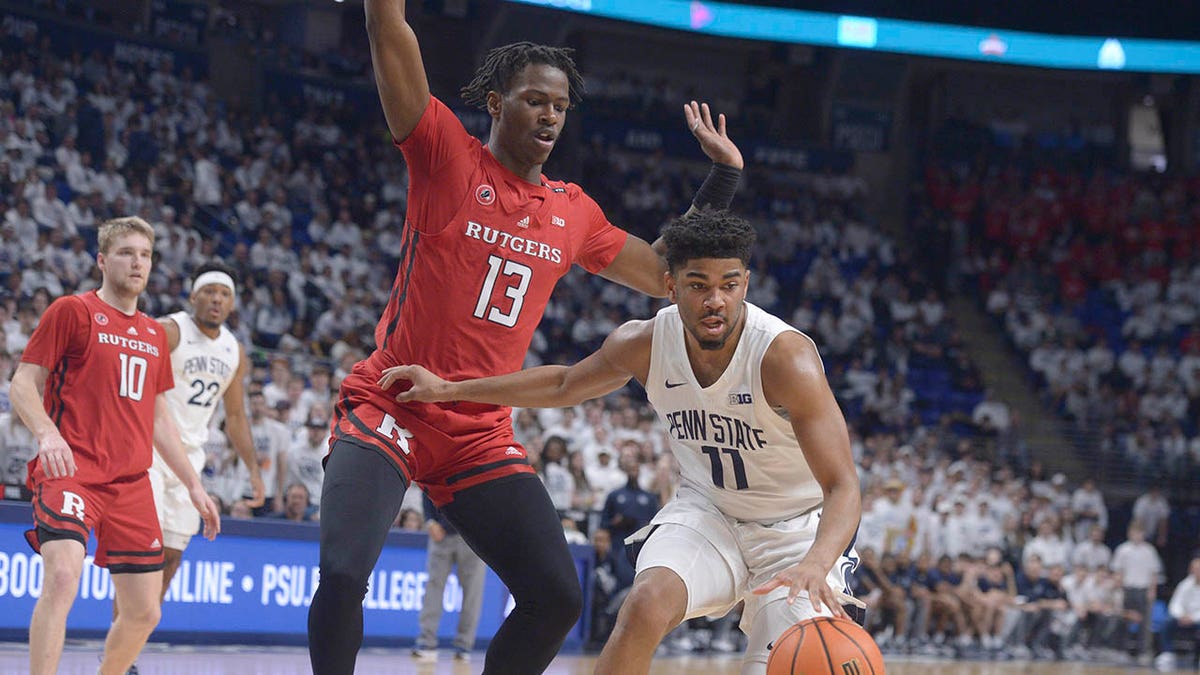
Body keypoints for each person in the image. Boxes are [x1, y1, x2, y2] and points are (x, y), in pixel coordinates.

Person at [307, 2, 744, 673]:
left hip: (476, 429)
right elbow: (390, 35)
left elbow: (663, 274)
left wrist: (721, 179)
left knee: (556, 595)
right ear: (495, 103)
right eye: (533, 100)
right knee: (342, 571)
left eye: (560, 106)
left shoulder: (573, 210)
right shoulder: (446, 157)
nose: (548, 116)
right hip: (391, 401)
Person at [379, 209, 862, 674]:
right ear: (670, 286)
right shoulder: (645, 343)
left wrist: (817, 564)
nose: (716, 300)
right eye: (698, 285)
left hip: (795, 532)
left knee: (788, 661)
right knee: (645, 604)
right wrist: (449, 389)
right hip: (710, 513)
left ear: (746, 285)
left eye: (729, 285)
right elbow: (564, 384)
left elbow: (843, 486)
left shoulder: (785, 358)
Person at [10, 217, 220, 675]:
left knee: (146, 612)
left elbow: (159, 418)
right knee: (64, 576)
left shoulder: (152, 334)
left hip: (130, 482)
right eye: (126, 253)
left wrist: (193, 485)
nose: (137, 263)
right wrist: (47, 433)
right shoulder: (72, 311)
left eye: (145, 255)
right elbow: (23, 384)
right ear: (102, 261)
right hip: (72, 473)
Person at [118, 262, 265, 617]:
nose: (216, 300)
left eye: (224, 294)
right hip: (148, 452)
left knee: (170, 557)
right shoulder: (169, 330)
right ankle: (117, 652)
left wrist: (254, 471)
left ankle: (132, 644)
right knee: (143, 554)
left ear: (232, 305)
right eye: (210, 292)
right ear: (193, 296)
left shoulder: (234, 350)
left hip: (190, 461)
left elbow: (235, 417)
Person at [411, 490, 486, 663]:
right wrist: (430, 521)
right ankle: (426, 641)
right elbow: (426, 487)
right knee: (433, 587)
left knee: (472, 592)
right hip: (440, 534)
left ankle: (464, 645)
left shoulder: (478, 464)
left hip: (472, 537)